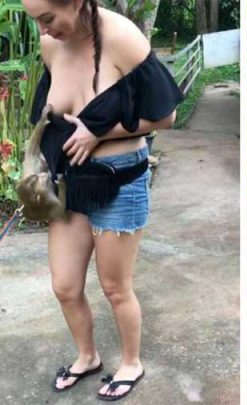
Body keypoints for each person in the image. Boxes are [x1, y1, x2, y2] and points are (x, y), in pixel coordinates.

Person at [22, 0, 183, 400]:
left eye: (48, 18)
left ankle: (131, 362)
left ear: (75, 3)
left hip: (119, 181)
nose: (44, 30)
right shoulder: (50, 46)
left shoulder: (122, 38)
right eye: (37, 22)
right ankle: (87, 356)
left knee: (115, 287)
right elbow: (52, 114)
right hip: (70, 182)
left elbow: (167, 117)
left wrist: (100, 133)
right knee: (65, 285)